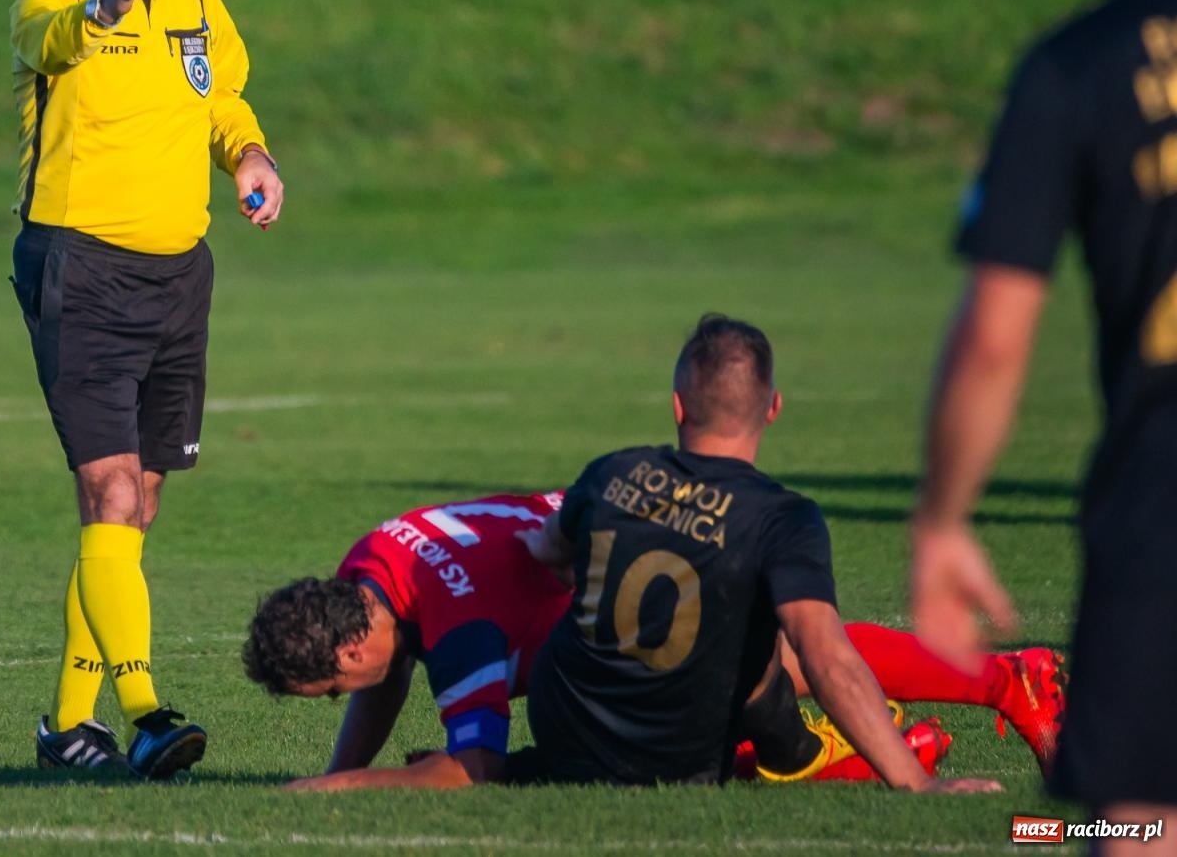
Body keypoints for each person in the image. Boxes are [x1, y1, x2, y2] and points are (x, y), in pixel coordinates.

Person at [244, 322, 1054, 790]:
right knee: (768, 661)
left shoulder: (462, 634)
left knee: (774, 664)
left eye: (332, 688)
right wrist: (337, 776)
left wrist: (338, 786)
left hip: (616, 571)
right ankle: (948, 711)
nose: (342, 696)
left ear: (350, 648)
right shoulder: (372, 565)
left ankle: (975, 697)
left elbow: (475, 768)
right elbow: (386, 673)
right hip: (599, 529)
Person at [910, 0, 1177, 849]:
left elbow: (994, 336)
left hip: (1159, 507)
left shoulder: (1074, 66)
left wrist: (941, 520)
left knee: (1143, 822)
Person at [8, 0, 284, 780]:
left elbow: (221, 95)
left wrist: (250, 154)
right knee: (112, 496)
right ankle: (146, 713)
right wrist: (107, 6)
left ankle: (66, 727)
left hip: (179, 277)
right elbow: (47, 42)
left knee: (137, 508)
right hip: (81, 268)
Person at [520, 315, 998, 792]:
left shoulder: (612, 472)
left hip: (563, 730)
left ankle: (792, 750)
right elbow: (825, 656)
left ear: (678, 406)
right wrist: (916, 783)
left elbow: (547, 550)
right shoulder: (780, 518)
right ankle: (794, 750)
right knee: (756, 619)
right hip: (677, 762)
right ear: (773, 408)